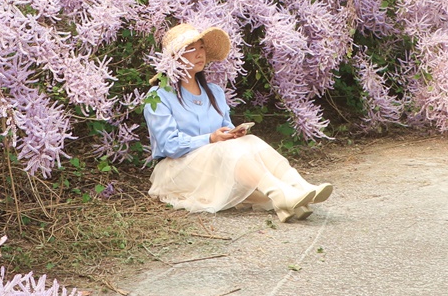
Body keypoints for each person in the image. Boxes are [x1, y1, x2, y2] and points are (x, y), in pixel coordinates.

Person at [142, 23, 333, 222]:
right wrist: (211, 138)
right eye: (191, 49)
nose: (199, 54)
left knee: (251, 141)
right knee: (226, 150)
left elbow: (226, 128)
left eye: (201, 48)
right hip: (177, 170)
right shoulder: (159, 96)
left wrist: (233, 134)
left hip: (217, 162)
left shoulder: (214, 92)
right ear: (175, 57)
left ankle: (297, 187)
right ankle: (280, 195)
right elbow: (169, 145)